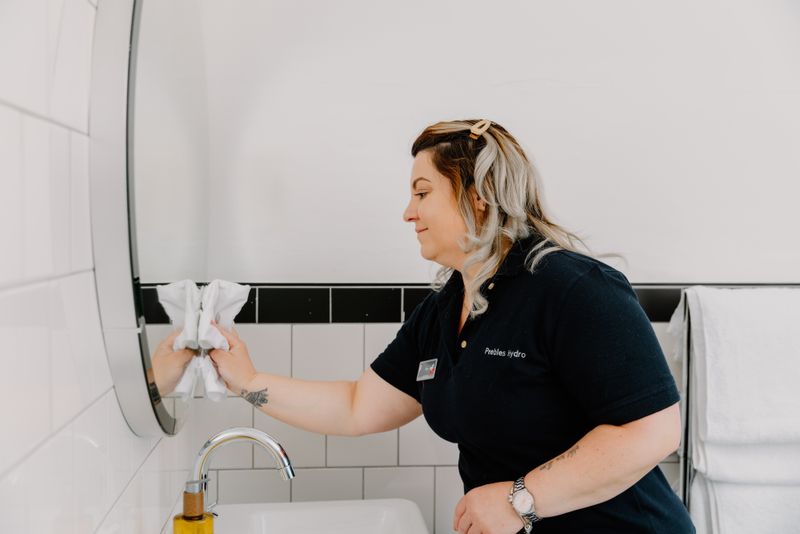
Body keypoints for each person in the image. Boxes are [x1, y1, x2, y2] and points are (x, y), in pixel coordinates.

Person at [208, 119, 695, 533]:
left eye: (422, 193)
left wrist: (518, 500)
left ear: (478, 197)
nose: (408, 212)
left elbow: (651, 431)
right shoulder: (446, 308)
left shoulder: (573, 289)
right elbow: (357, 406)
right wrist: (249, 383)